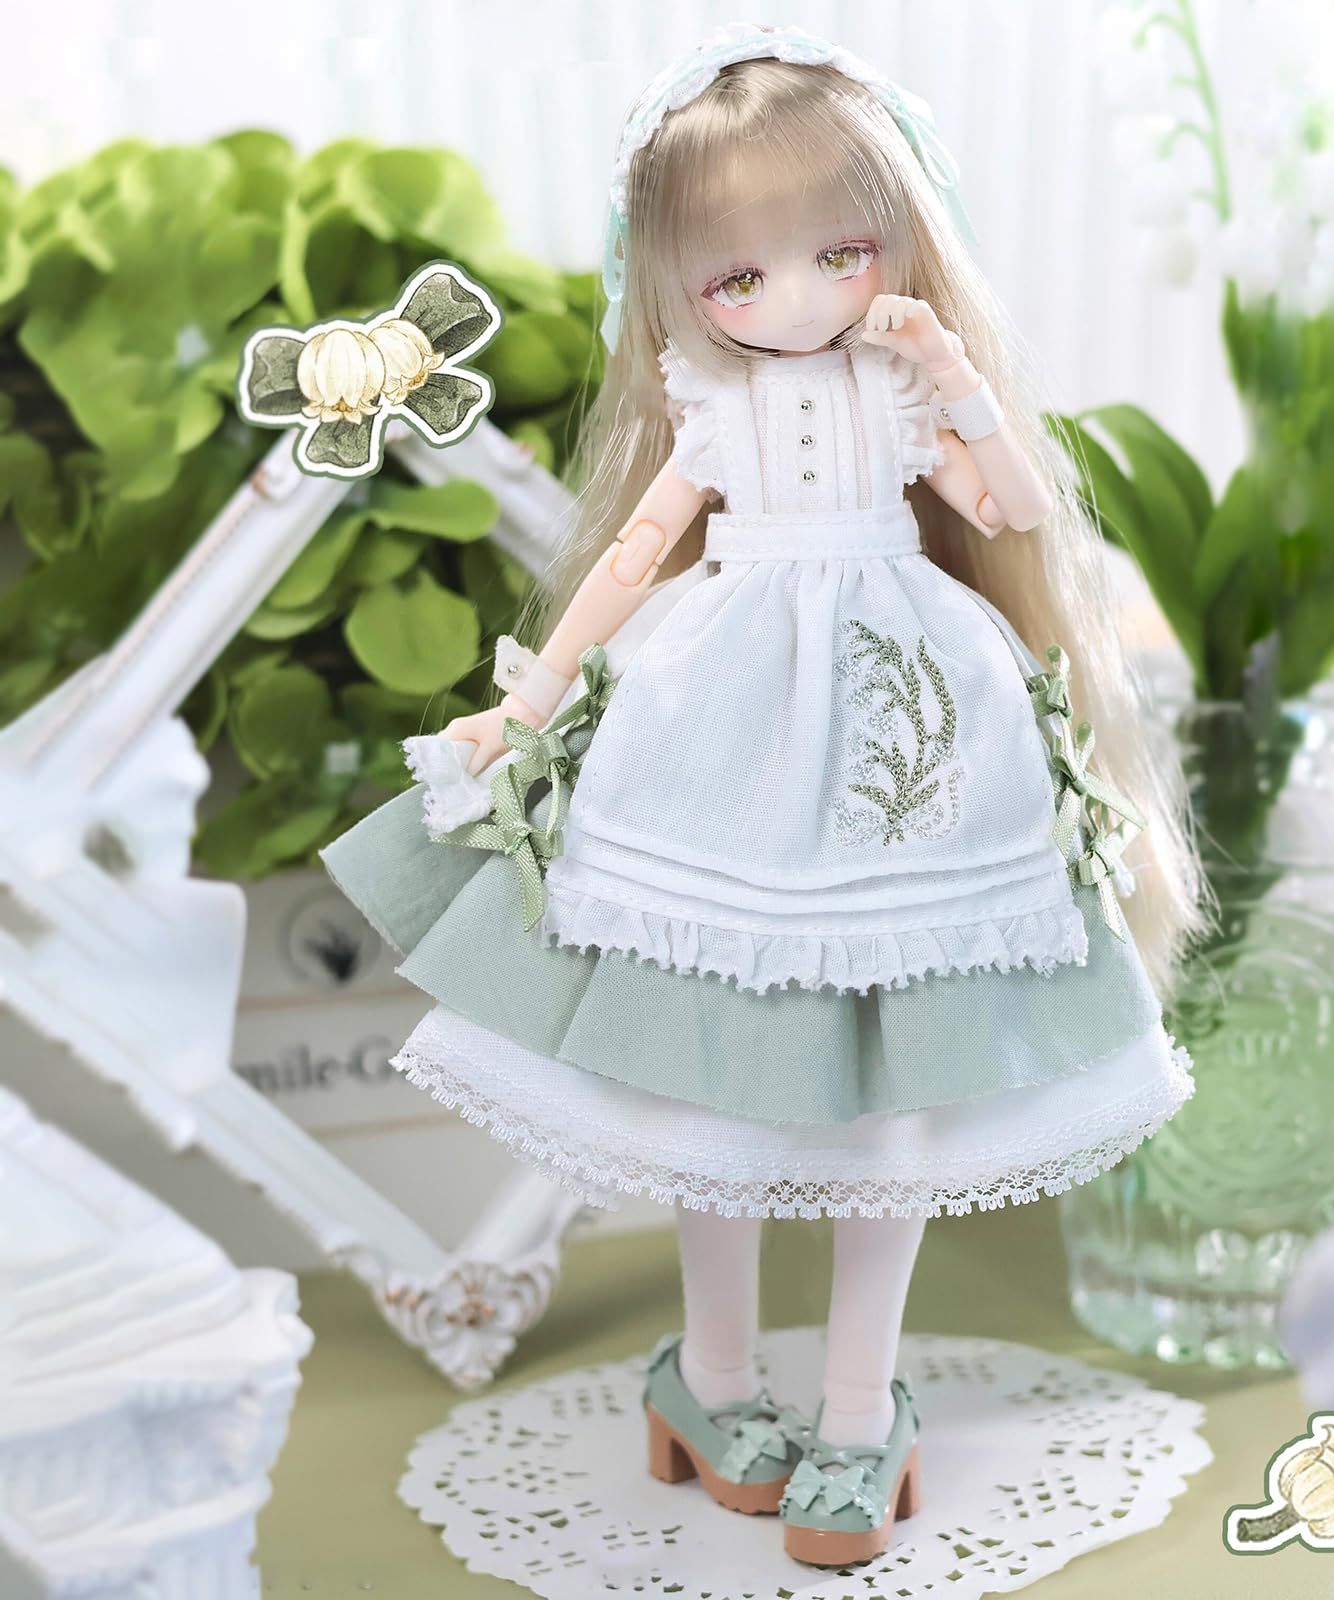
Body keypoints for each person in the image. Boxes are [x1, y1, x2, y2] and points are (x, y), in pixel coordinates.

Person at [323, 22, 1203, 1568]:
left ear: (901, 243)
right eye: (738, 276)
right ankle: (711, 1379)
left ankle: (862, 1408)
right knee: (704, 1085)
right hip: (718, 721)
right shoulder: (713, 404)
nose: (794, 298)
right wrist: (529, 699)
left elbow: (1008, 510)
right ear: (681, 291)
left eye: (839, 254)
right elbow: (631, 554)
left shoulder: (903, 389)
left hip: (908, 724)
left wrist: (955, 380)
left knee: (899, 1095)